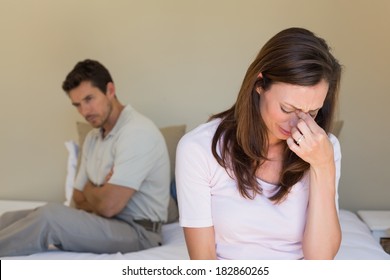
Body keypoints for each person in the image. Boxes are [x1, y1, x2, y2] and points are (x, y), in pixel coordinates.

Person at [176, 27, 342, 260]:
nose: (298, 123)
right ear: (260, 84)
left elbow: (320, 260)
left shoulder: (323, 148)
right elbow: (203, 263)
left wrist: (323, 166)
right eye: (287, 108)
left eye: (312, 112)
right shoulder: (198, 148)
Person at [0, 59, 170, 257]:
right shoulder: (92, 137)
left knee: (49, 217)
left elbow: (108, 206)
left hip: (138, 232)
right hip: (104, 221)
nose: (84, 112)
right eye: (77, 105)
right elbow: (77, 199)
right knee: (13, 217)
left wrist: (92, 189)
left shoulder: (137, 132)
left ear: (110, 90)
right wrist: (102, 192)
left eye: (89, 99)